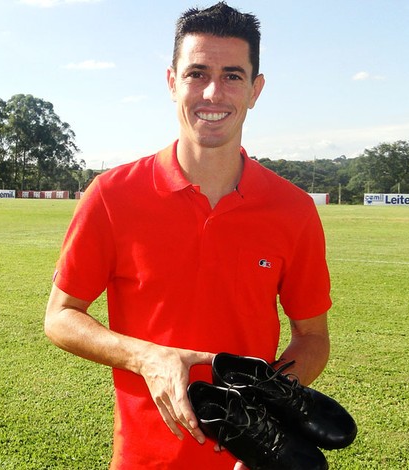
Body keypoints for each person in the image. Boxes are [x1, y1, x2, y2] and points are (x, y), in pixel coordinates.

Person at [45, 2, 332, 469]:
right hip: (143, 458)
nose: (214, 92)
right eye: (197, 72)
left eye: (233, 75)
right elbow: (60, 317)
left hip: (249, 457)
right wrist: (146, 357)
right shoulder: (112, 195)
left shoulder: (293, 209)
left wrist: (266, 413)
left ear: (256, 90)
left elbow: (312, 336)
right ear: (171, 81)